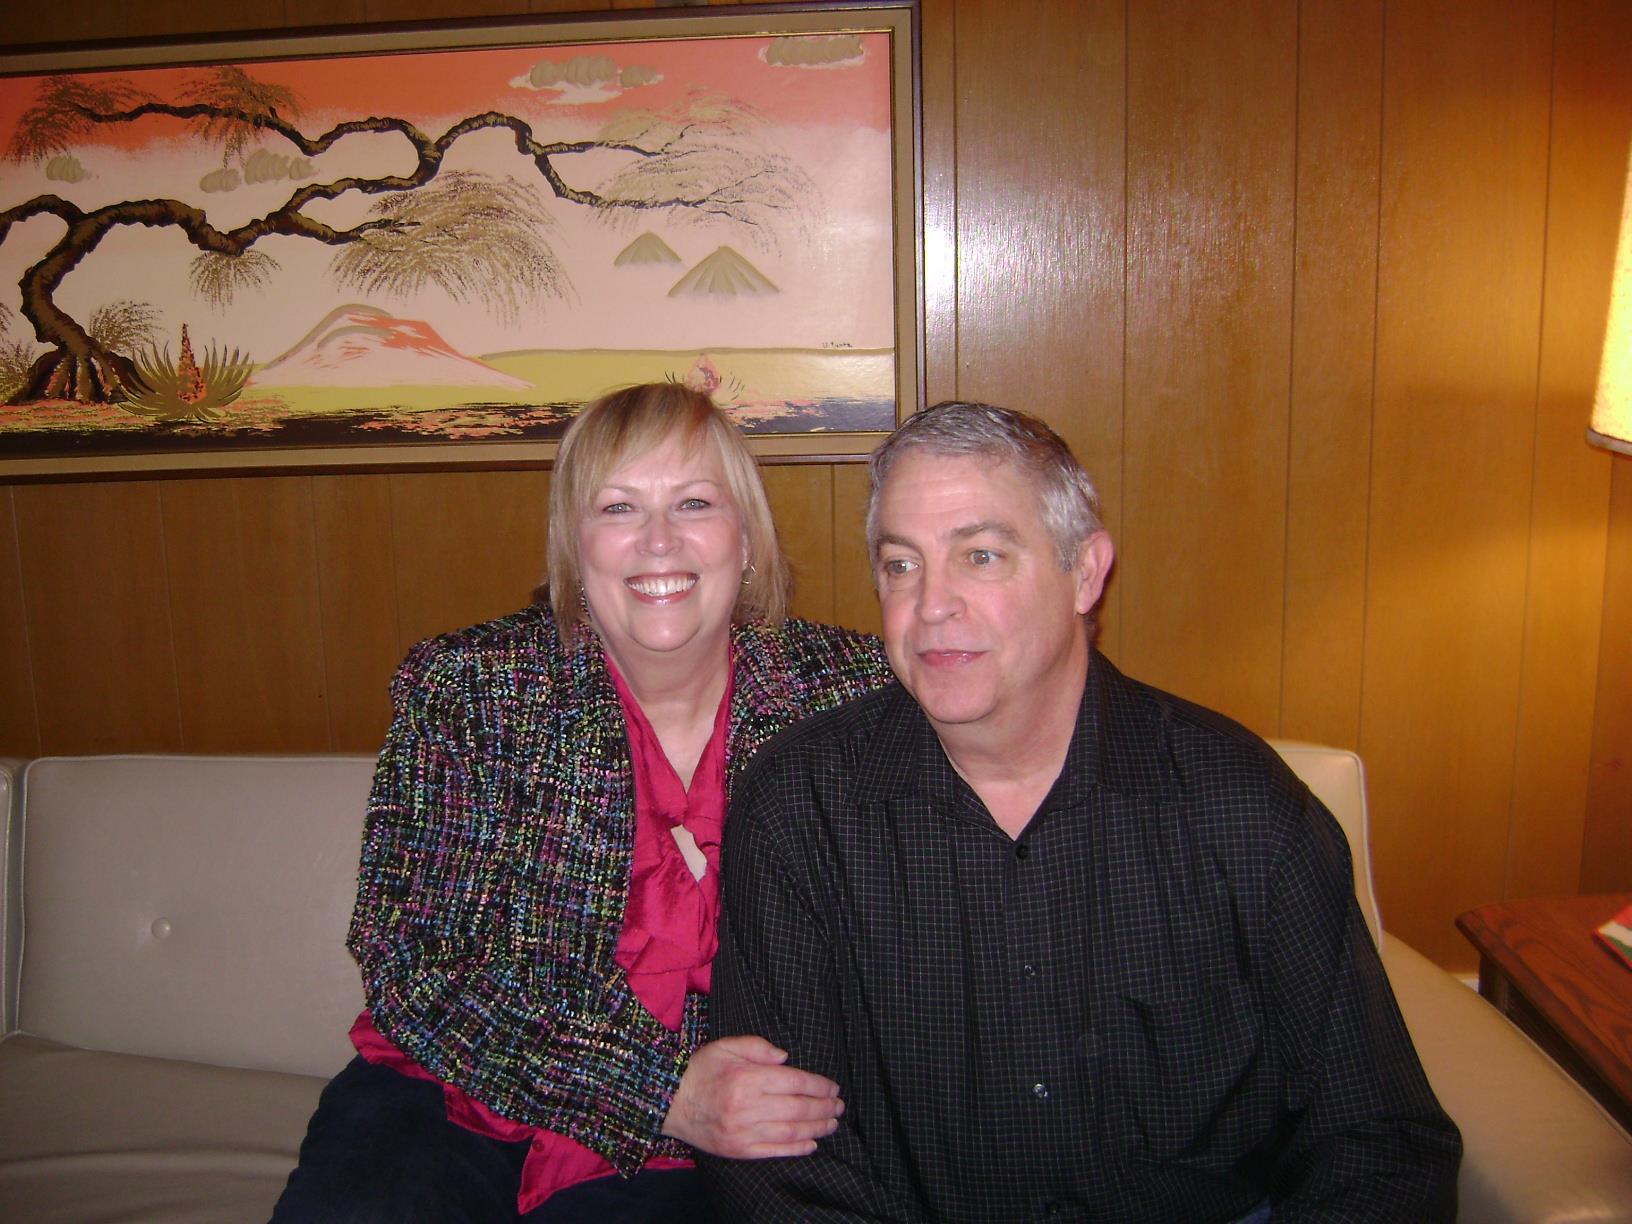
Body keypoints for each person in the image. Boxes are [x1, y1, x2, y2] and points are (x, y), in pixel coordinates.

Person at [703, 401, 1463, 1222]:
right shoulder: (801, 810)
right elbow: (777, 1163)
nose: (931, 606)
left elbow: (1379, 1136)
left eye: (982, 556)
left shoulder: (1243, 809)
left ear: (1086, 572)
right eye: (901, 565)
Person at [271, 383, 894, 1223]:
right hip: (458, 1088)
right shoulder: (473, 689)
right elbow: (411, 960)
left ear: (746, 539)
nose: (660, 541)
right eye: (619, 507)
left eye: (696, 503)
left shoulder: (851, 693)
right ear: (575, 544)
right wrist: (656, 1089)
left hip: (714, 1118)